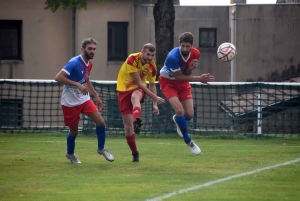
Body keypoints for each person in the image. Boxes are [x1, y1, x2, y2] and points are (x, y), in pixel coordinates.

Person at [55, 38, 114, 163]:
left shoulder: (89, 64)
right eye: (90, 49)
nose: (92, 51)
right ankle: (70, 153)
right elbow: (58, 77)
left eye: (94, 49)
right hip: (70, 102)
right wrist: (77, 84)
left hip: (84, 99)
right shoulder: (74, 62)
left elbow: (86, 80)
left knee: (100, 122)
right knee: (74, 132)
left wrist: (96, 96)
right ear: (83, 49)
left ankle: (101, 148)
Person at [158, 32, 215, 154]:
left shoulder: (196, 53)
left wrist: (190, 68)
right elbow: (178, 77)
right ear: (179, 44)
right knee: (179, 111)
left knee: (189, 114)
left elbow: (186, 75)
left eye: (187, 46)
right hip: (168, 82)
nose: (184, 48)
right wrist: (199, 78)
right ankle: (188, 141)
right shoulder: (173, 56)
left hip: (182, 82)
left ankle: (178, 120)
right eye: (182, 46)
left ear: (192, 45)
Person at [116, 43, 165, 162]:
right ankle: (135, 153)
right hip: (123, 90)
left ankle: (137, 119)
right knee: (128, 128)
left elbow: (152, 85)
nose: (149, 58)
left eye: (152, 55)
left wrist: (155, 104)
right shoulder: (132, 59)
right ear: (142, 52)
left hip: (138, 89)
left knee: (135, 97)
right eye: (148, 54)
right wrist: (155, 97)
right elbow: (137, 82)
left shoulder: (152, 66)